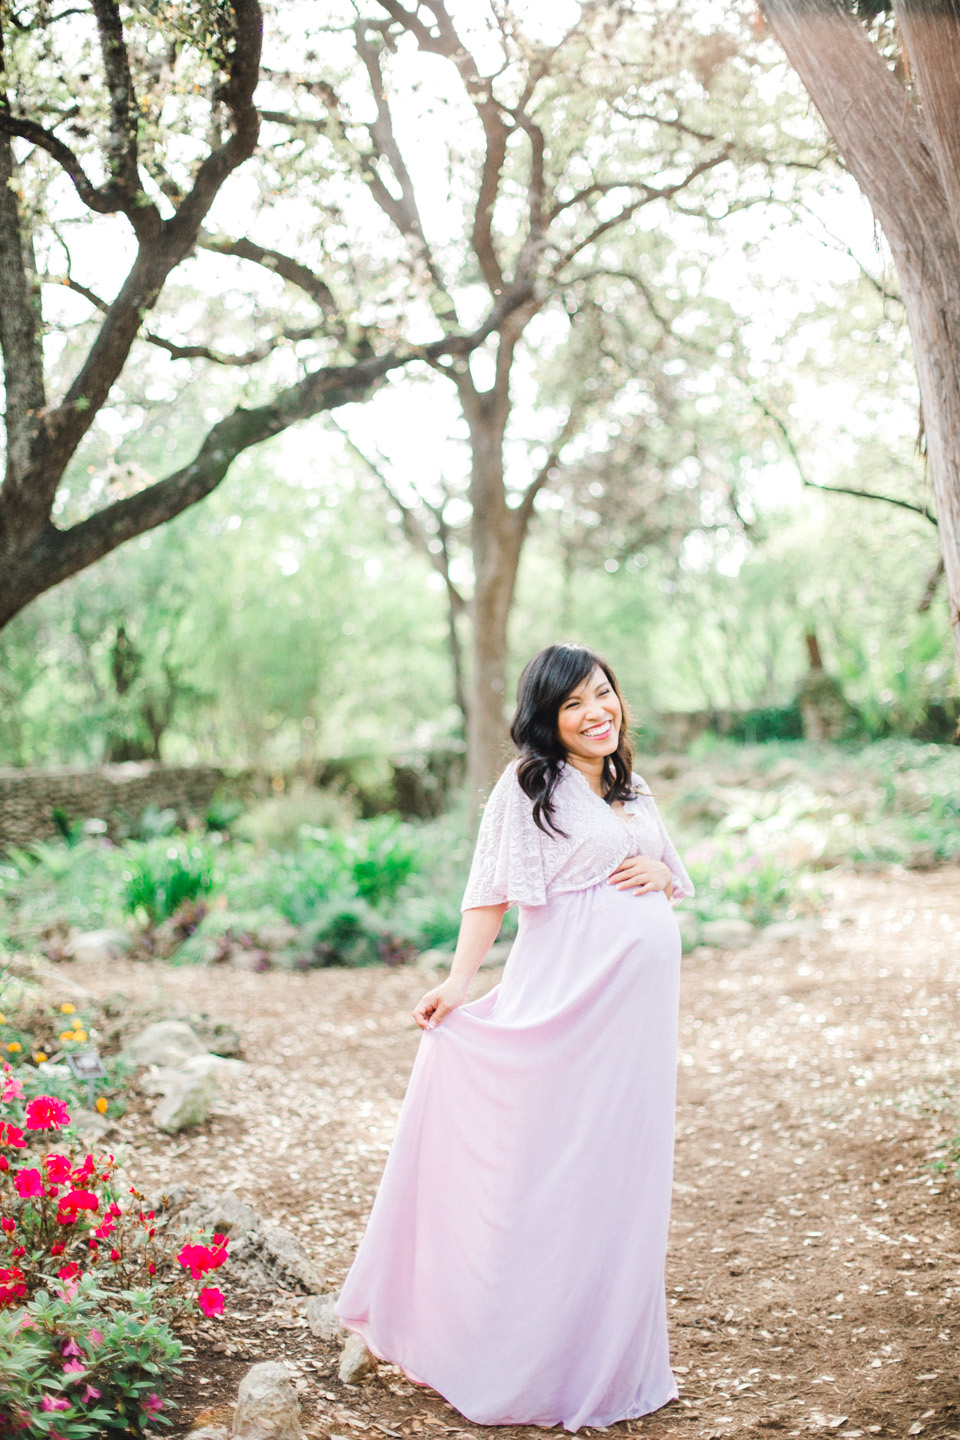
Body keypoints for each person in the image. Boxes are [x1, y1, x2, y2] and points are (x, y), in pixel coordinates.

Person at [335, 642, 694, 1431]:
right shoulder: (532, 786)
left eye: (603, 694)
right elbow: (488, 890)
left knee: (617, 1172)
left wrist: (663, 876)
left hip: (632, 1026)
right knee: (550, 1171)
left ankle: (602, 1351)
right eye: (573, 704)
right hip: (566, 1006)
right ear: (549, 718)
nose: (596, 711)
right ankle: (513, 1352)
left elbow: (670, 871)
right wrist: (460, 981)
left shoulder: (629, 788)